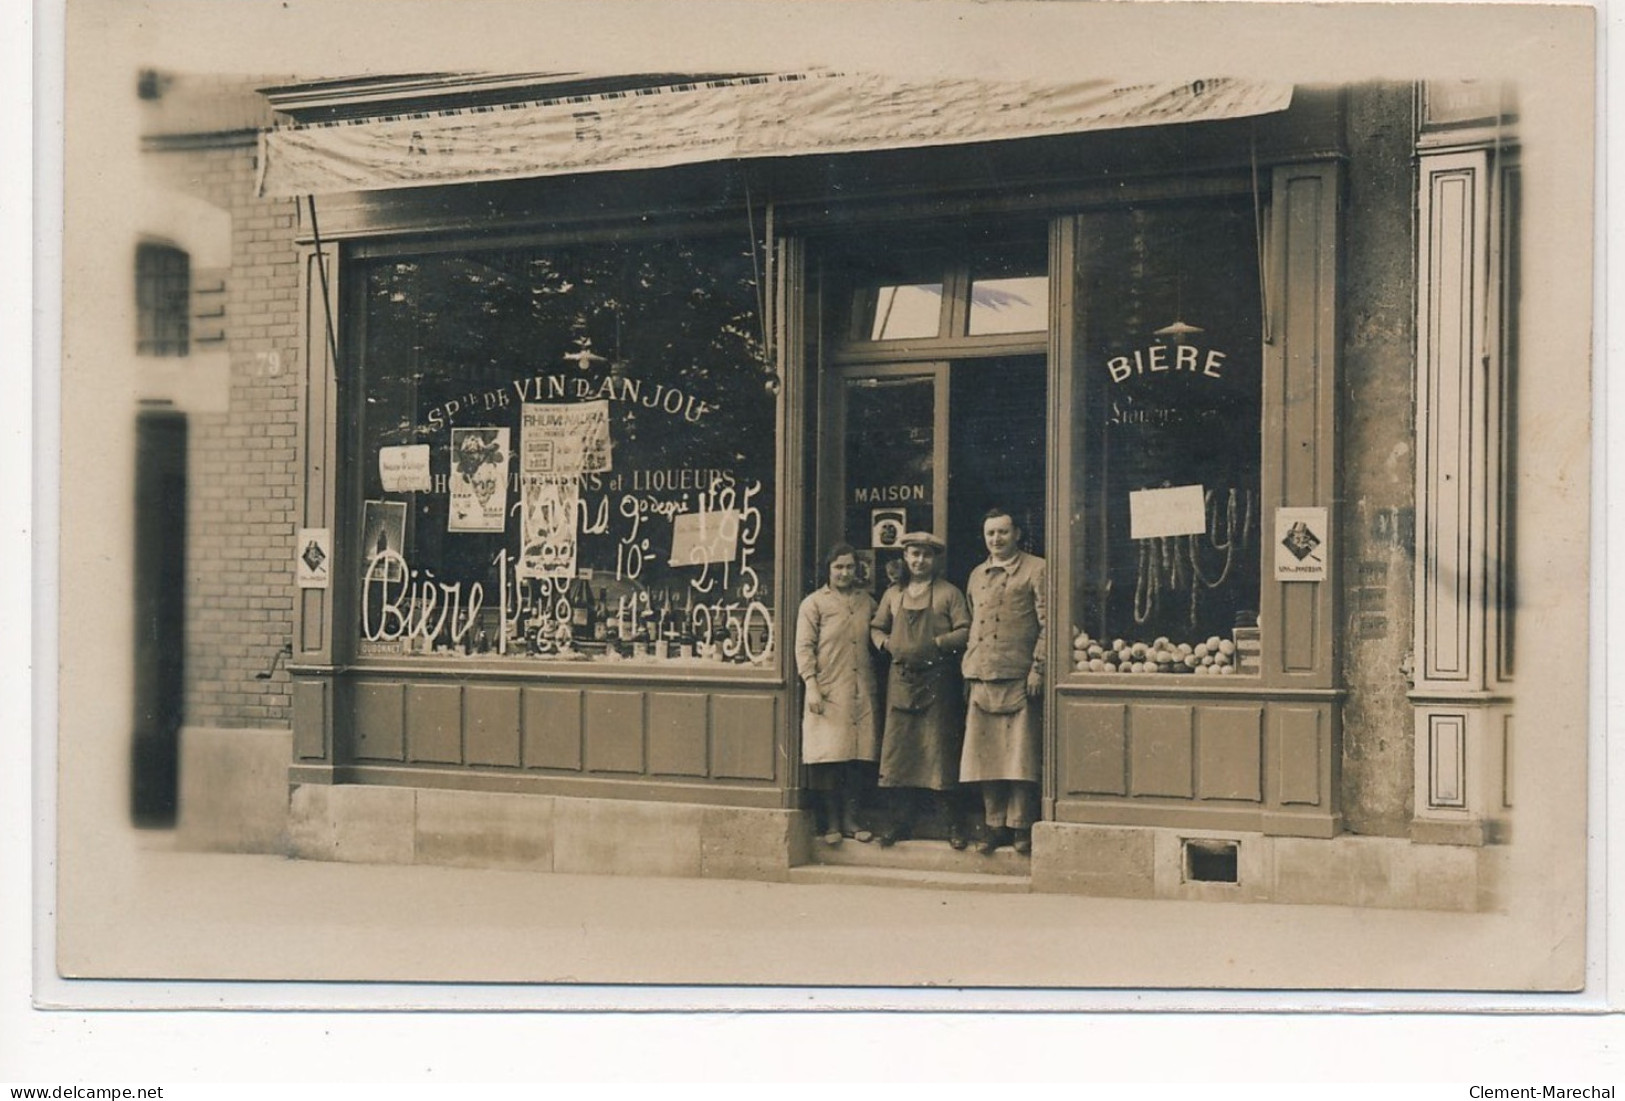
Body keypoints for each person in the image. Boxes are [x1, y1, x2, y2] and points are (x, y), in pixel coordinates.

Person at [869, 531, 972, 847]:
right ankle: (900, 824)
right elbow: (876, 627)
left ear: (935, 559)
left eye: (926, 555)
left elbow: (966, 630)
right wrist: (886, 643)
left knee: (938, 752)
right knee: (900, 754)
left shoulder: (948, 594)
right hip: (900, 682)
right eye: (914, 554)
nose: (919, 560)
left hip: (936, 684)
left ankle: (953, 827)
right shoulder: (893, 595)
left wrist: (938, 643)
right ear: (905, 557)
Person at [961, 508, 1047, 855]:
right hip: (981, 676)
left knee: (1019, 757)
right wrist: (969, 671)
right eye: (990, 534)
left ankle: (1021, 826)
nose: (996, 540)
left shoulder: (1036, 570)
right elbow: (972, 625)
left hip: (1019, 677)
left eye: (1002, 532)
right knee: (986, 757)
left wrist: (1038, 668)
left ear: (1017, 534)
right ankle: (994, 825)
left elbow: (1048, 624)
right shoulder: (976, 575)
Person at [795, 543, 880, 845]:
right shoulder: (814, 604)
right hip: (828, 691)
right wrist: (812, 685)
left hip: (861, 690)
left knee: (856, 758)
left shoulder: (867, 602)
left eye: (849, 567)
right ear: (828, 570)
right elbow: (804, 647)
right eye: (838, 567)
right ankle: (831, 823)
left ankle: (851, 821)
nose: (844, 573)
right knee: (830, 758)